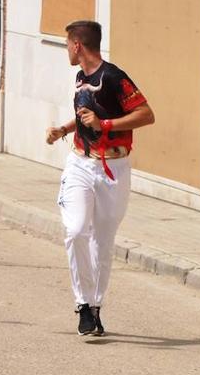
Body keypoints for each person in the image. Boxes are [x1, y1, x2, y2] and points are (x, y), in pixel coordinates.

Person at [45, 20, 155, 337]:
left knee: (102, 243)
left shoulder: (114, 77)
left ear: (78, 45)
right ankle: (82, 303)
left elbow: (147, 114)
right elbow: (86, 117)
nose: (67, 49)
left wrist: (104, 124)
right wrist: (64, 130)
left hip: (114, 169)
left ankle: (94, 308)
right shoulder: (81, 78)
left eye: (68, 44)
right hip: (80, 163)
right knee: (76, 229)